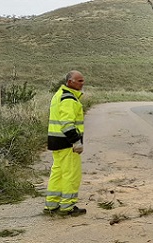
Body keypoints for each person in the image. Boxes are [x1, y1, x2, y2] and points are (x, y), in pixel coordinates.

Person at [43, 70, 87, 216]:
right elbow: (67, 124)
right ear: (70, 82)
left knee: (58, 173)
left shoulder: (59, 95)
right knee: (71, 174)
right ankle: (67, 207)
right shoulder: (69, 99)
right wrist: (76, 141)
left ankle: (51, 204)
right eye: (79, 81)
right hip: (67, 143)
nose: (82, 83)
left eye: (82, 80)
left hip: (57, 142)